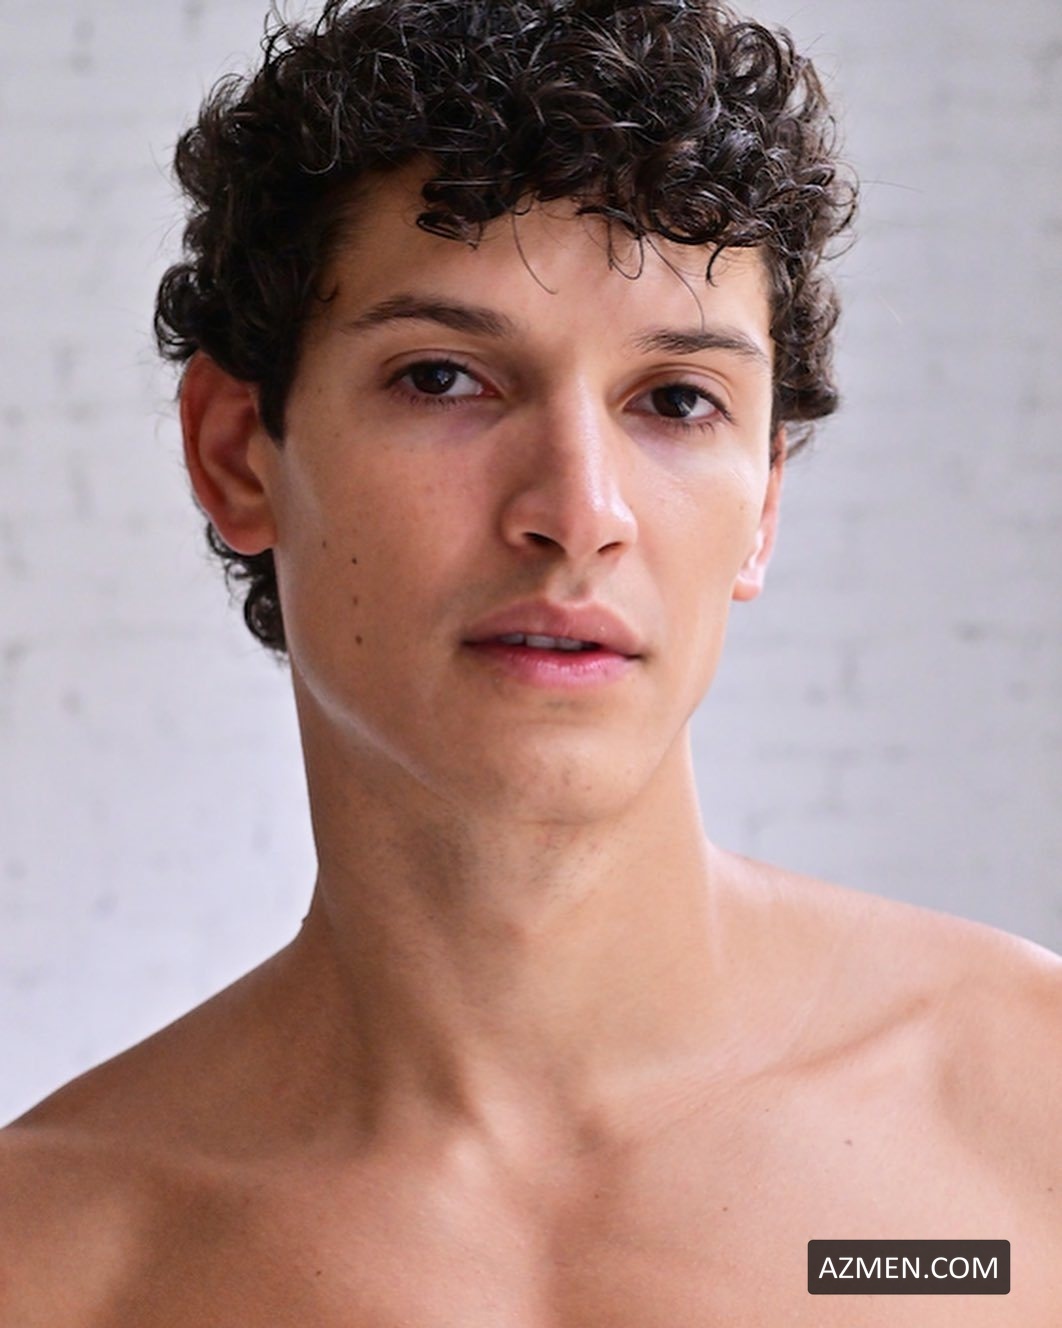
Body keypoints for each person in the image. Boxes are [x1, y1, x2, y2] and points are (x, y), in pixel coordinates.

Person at [2, 0, 1059, 1321]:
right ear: (236, 454)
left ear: (765, 504)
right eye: (443, 378)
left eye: (676, 400)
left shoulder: (1027, 1113)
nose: (578, 510)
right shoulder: (52, 1263)